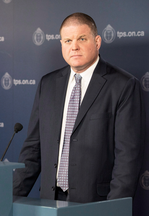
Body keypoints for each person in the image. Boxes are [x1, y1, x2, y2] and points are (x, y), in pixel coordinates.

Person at [13, 12, 145, 203]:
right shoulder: (47, 84)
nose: (74, 46)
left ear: (97, 41)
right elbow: (33, 149)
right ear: (61, 45)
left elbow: (128, 159)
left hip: (96, 203)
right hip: (50, 201)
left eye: (81, 39)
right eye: (67, 41)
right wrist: (6, 198)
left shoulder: (123, 85)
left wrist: (113, 209)